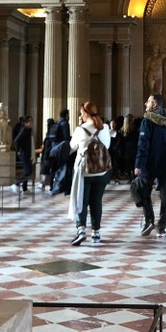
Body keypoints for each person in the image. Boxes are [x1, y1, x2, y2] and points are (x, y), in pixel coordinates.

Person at [134, 94, 166, 238]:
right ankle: (161, 228)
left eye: (148, 101)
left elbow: (143, 144)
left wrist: (139, 164)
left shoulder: (147, 120)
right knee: (165, 194)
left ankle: (149, 220)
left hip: (150, 163)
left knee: (138, 189)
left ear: (154, 105)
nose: (145, 103)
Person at [67, 102, 111, 245]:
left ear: (86, 113)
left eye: (81, 113)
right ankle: (96, 233)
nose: (80, 115)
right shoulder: (104, 128)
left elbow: (71, 147)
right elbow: (108, 146)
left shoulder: (81, 130)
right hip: (101, 171)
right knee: (96, 202)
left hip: (84, 172)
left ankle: (81, 230)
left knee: (82, 200)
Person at [13, 115, 34, 192]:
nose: (31, 123)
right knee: (28, 170)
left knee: (26, 170)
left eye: (32, 121)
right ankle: (17, 183)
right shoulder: (24, 130)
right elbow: (16, 141)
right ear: (25, 123)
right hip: (23, 153)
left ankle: (24, 188)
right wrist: (18, 150)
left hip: (27, 152)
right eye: (30, 121)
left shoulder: (28, 130)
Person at [39, 117, 57, 191]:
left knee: (45, 169)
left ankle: (44, 184)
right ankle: (50, 185)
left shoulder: (50, 133)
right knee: (50, 169)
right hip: (51, 153)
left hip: (47, 154)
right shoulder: (54, 131)